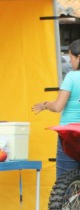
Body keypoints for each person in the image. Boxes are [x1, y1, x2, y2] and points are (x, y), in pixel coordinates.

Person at [32, 39, 80, 179]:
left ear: (78, 57)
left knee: (64, 182)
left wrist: (45, 104)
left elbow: (58, 106)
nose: (70, 61)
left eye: (71, 57)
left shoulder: (71, 77)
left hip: (69, 135)